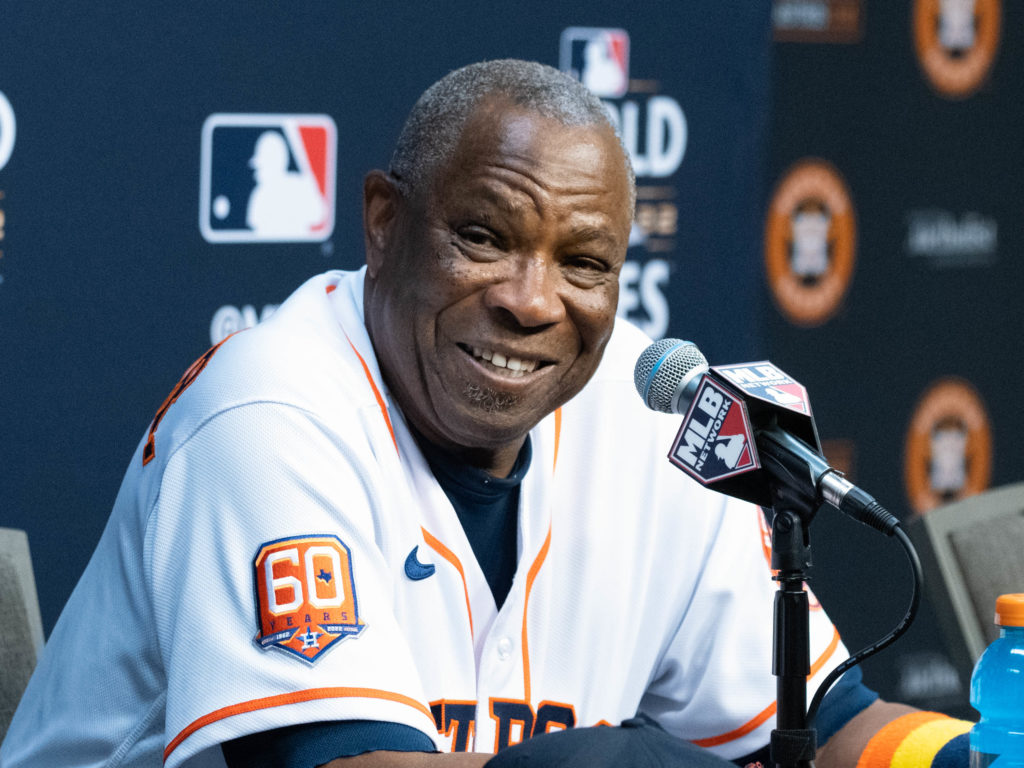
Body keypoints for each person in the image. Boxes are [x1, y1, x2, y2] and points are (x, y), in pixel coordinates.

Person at [1, 60, 970, 768]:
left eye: (583, 263)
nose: (532, 300)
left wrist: (965, 758)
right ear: (384, 224)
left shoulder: (654, 410)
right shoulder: (268, 409)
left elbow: (831, 725)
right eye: (481, 237)